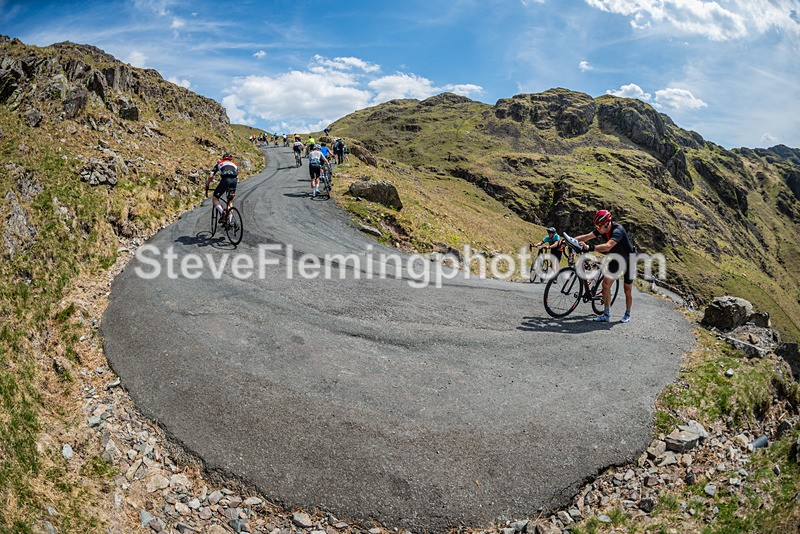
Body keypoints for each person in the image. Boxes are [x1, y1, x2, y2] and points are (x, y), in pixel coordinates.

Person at [575, 209, 636, 323]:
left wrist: (589, 248)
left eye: (599, 227)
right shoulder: (602, 228)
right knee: (605, 284)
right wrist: (567, 240)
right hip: (616, 259)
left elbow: (608, 246)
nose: (597, 229)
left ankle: (627, 313)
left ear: (607, 223)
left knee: (627, 289)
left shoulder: (618, 230)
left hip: (629, 260)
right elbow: (587, 236)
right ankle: (606, 314)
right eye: (596, 227)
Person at [206, 153, 238, 221]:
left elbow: (211, 176)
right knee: (230, 201)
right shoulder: (235, 165)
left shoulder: (219, 164)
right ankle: (230, 220)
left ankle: (222, 212)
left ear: (223, 158)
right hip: (234, 181)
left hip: (225, 180)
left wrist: (207, 185)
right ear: (231, 159)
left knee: (215, 198)